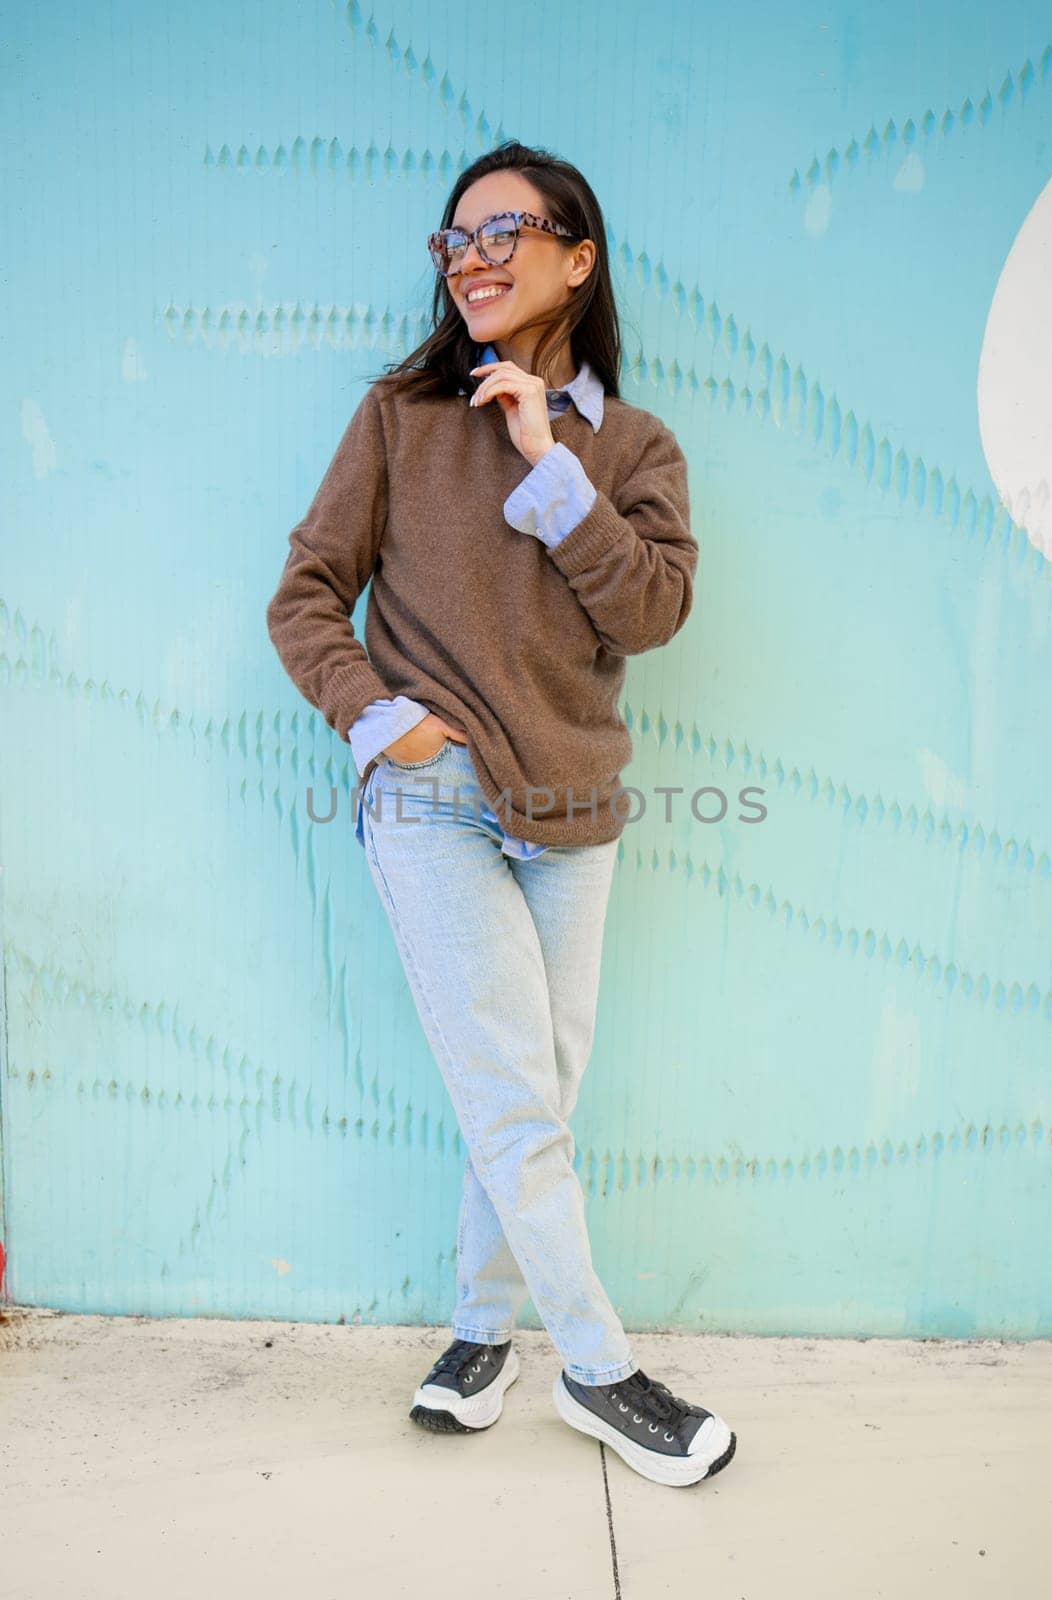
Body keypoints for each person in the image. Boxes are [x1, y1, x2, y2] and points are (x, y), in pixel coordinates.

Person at [266, 138, 737, 1489]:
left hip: (575, 808)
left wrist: (547, 459)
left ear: (576, 260)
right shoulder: (399, 419)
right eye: (452, 240)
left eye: (502, 233)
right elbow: (304, 594)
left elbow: (647, 610)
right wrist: (377, 719)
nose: (470, 258)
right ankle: (599, 1371)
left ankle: (479, 1334)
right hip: (432, 798)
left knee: (528, 1101)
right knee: (515, 1103)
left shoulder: (631, 446)